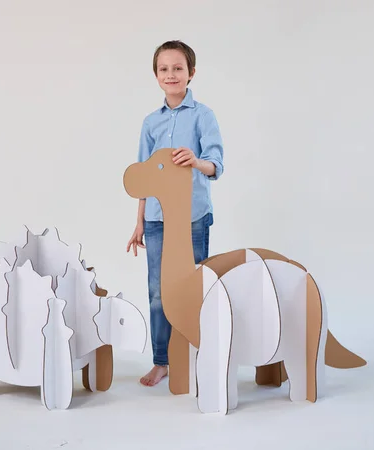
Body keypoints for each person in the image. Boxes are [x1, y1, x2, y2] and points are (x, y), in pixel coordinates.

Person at [126, 40, 224, 387]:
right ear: (156, 76)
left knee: (192, 289)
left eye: (178, 68)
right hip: (155, 219)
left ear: (191, 73)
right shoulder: (150, 122)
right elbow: (142, 176)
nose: (171, 74)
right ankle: (162, 361)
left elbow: (217, 166)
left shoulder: (203, 116)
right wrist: (138, 222)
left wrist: (195, 160)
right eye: (164, 69)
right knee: (158, 291)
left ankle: (196, 358)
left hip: (192, 218)